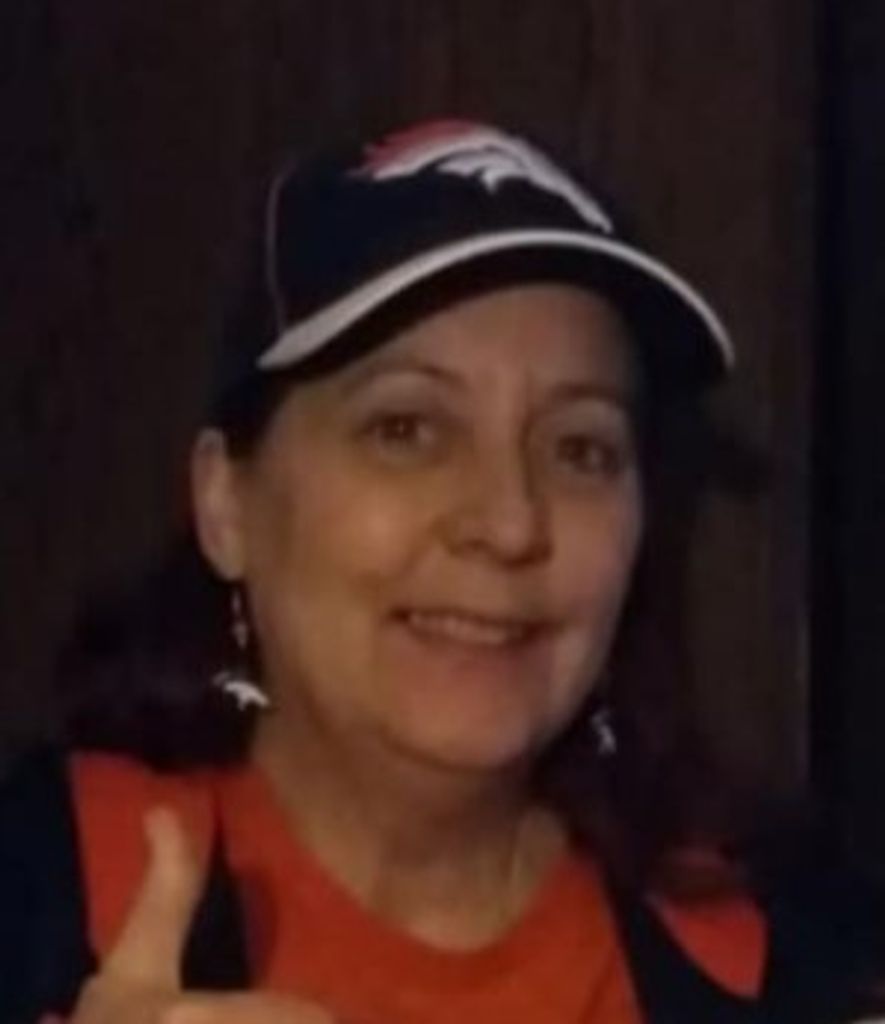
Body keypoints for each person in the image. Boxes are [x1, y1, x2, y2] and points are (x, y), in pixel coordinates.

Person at [1, 120, 881, 1023]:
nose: (508, 523)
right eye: (406, 431)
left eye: (579, 449)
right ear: (227, 505)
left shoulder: (797, 952)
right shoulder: (42, 884)